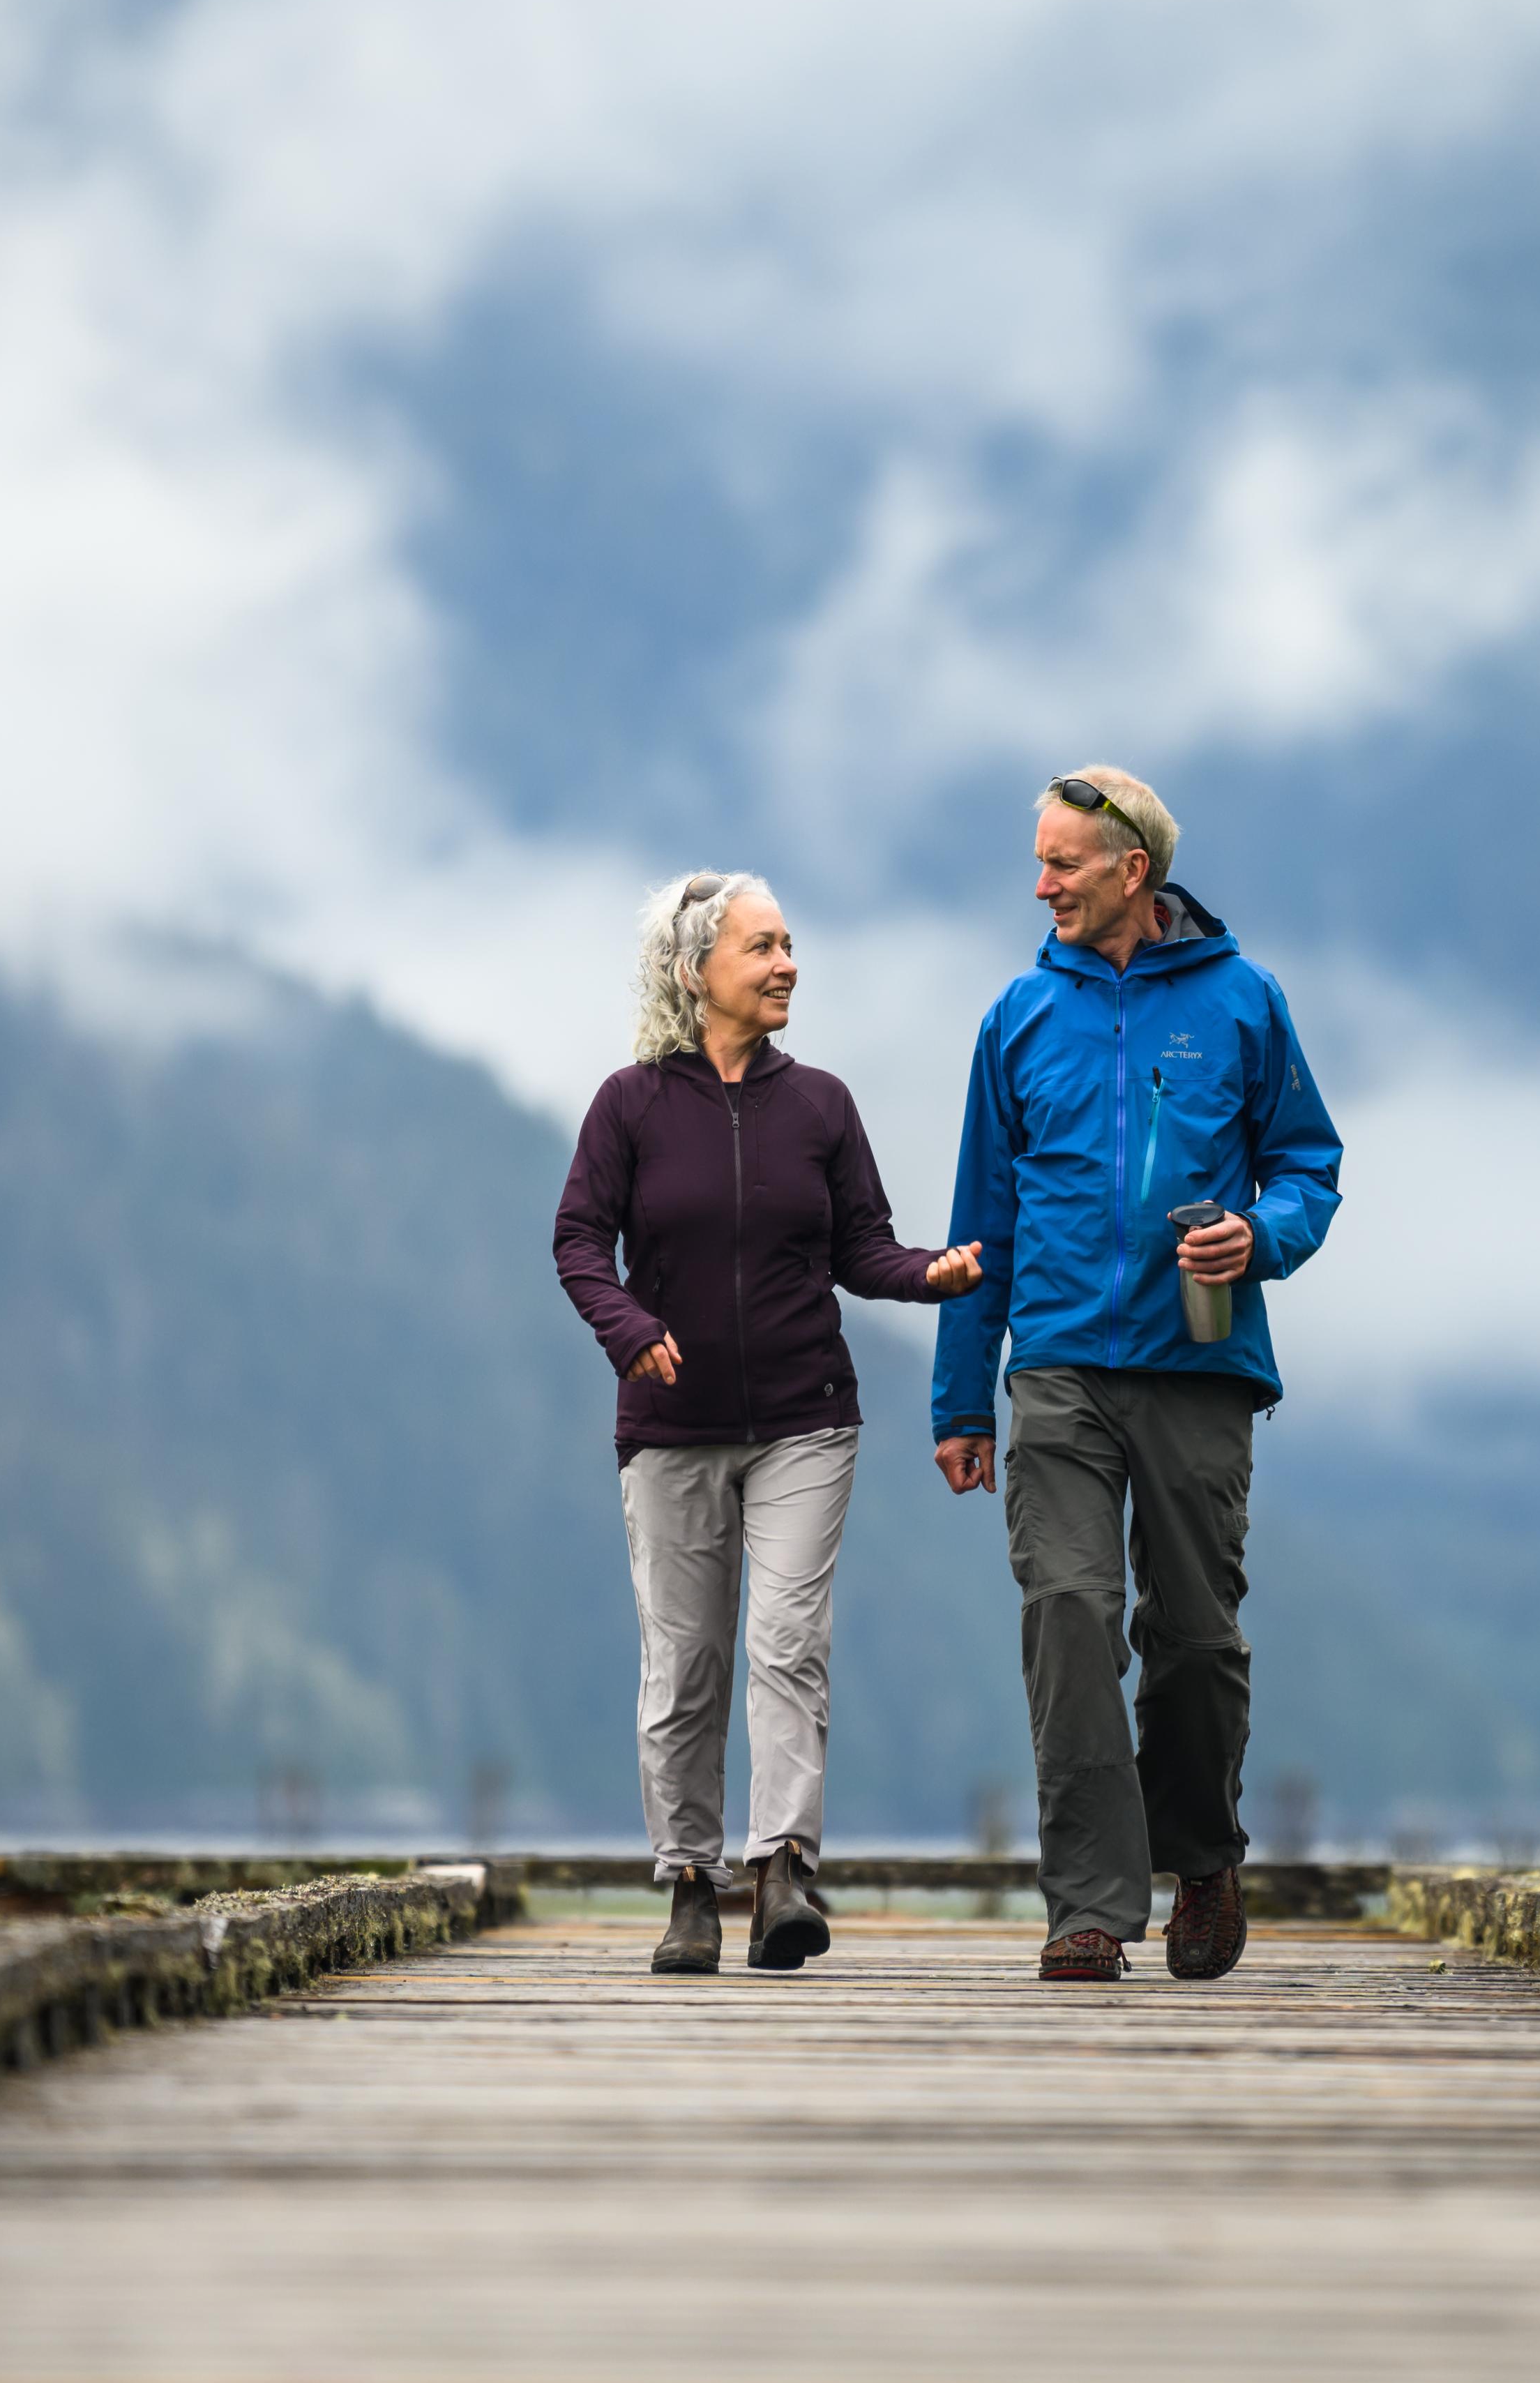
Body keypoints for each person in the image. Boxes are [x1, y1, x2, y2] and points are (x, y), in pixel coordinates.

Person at [929, 768, 1341, 1984]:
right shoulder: (1017, 1017)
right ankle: (1090, 1907)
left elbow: (1308, 1165)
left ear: (1133, 875)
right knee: (1067, 1616)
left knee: (1197, 1638)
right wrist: (963, 1397)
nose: (1042, 883)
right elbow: (979, 1223)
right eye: (1040, 859)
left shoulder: (1245, 1002)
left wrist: (1260, 1235)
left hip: (1199, 1364)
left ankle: (1203, 1858)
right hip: (1054, 1366)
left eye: (1063, 862)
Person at [553, 872, 981, 1976]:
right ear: (699, 971)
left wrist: (931, 1273)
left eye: (791, 944)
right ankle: (690, 1882)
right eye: (764, 946)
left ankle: (782, 1865)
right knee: (686, 1662)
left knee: (788, 1644)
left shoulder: (823, 1104)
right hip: (669, 1425)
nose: (789, 963)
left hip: (806, 1419)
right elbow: (577, 1242)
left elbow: (861, 1248)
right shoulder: (630, 1104)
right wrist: (627, 1325)